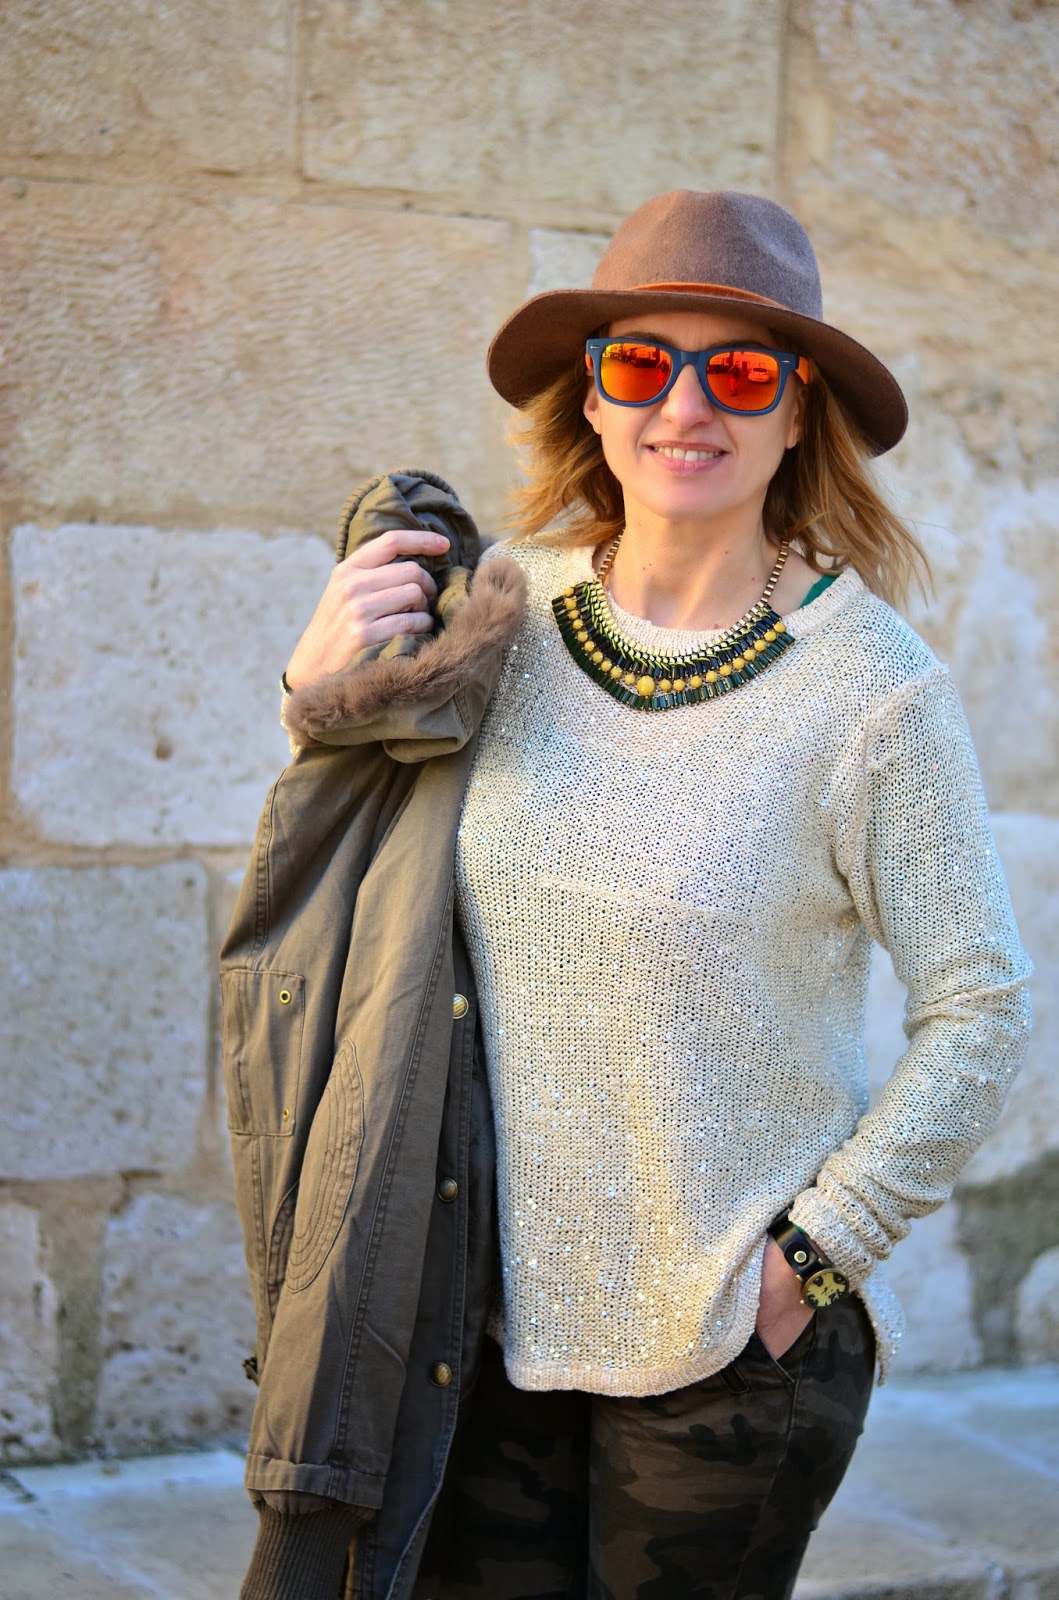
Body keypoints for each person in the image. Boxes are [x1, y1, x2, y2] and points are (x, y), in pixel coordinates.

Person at [223, 190, 1032, 1600]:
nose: (686, 406)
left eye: (741, 372)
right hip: (476, 1327)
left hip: (726, 1356)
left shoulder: (874, 693)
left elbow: (984, 1006)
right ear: (592, 398)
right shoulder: (502, 613)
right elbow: (355, 876)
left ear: (798, 412)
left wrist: (811, 1260)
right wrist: (319, 688)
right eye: (643, 363)